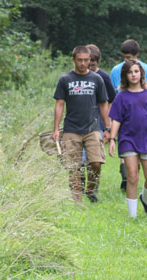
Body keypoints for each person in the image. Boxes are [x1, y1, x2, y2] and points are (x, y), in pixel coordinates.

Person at [108, 60, 147, 218]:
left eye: (136, 71)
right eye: (130, 72)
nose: (133, 75)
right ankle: (132, 216)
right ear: (125, 76)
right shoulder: (121, 97)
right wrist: (112, 139)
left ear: (141, 73)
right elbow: (116, 119)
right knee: (132, 176)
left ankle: (145, 198)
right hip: (128, 140)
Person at [52, 45, 109, 205]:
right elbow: (59, 104)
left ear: (90, 60)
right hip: (71, 128)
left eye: (86, 60)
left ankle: (91, 190)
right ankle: (77, 200)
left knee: (96, 163)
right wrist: (56, 129)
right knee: (74, 166)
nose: (83, 63)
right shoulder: (65, 80)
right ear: (73, 60)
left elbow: (104, 103)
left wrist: (108, 127)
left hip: (92, 127)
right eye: (80, 60)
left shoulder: (96, 79)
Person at [110, 39, 147, 191]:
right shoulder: (116, 70)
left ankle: (136, 182)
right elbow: (113, 96)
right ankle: (127, 178)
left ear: (137, 55)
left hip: (141, 118)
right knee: (128, 155)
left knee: (143, 158)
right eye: (124, 57)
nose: (126, 61)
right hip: (123, 116)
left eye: (129, 58)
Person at [77, 44, 116, 195]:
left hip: (97, 123)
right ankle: (80, 187)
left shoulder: (103, 77)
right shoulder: (78, 76)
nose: (90, 67)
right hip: (79, 123)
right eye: (88, 64)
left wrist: (108, 121)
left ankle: (92, 189)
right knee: (80, 159)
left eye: (92, 65)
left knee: (95, 158)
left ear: (97, 62)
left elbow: (112, 99)